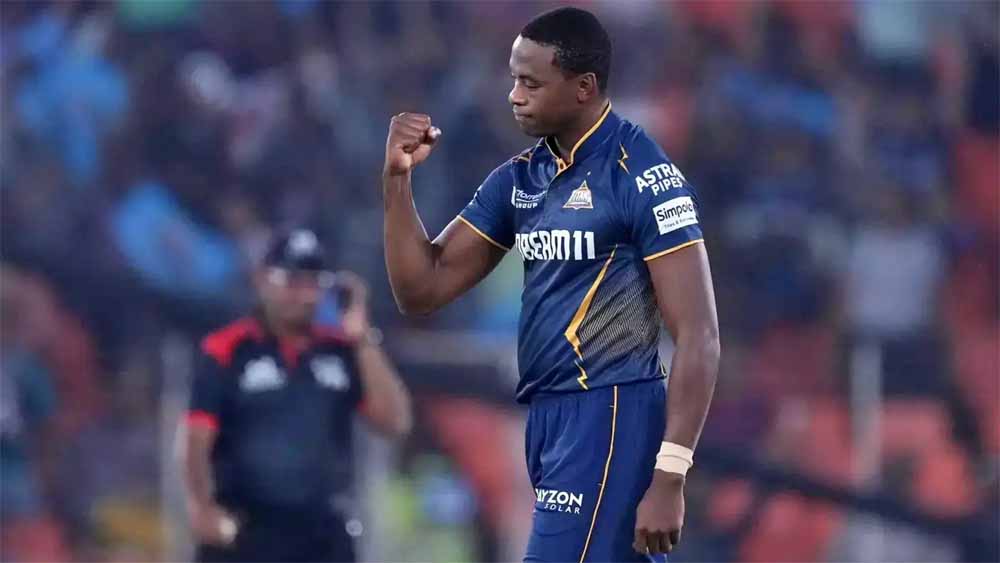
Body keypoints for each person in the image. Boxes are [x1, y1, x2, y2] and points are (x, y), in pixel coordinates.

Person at [382, 7, 720, 562]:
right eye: (514, 80)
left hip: (610, 413)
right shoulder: (522, 178)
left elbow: (700, 335)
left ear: (583, 87)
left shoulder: (640, 174)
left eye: (531, 83)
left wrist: (671, 474)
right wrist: (398, 181)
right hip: (546, 417)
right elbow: (422, 289)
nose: (514, 96)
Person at [179, 229, 412, 563]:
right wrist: (202, 507)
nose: (302, 295)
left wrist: (362, 338)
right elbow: (196, 438)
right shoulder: (228, 350)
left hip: (322, 536)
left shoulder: (341, 352)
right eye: (291, 281)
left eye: (312, 283)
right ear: (262, 280)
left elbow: (395, 422)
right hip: (245, 533)